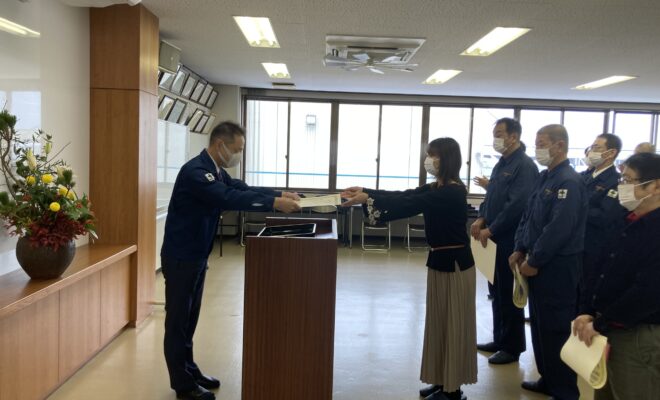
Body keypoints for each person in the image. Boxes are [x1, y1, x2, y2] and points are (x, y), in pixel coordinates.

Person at [160, 122, 301, 400]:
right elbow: (227, 196)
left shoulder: (215, 171)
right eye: (237, 149)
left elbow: (241, 187)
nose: (238, 155)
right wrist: (273, 204)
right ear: (220, 145)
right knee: (178, 321)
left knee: (190, 318)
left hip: (196, 255)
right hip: (181, 257)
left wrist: (278, 195)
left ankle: (189, 369)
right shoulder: (197, 173)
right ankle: (183, 385)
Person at [341, 138, 476, 400]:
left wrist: (369, 198)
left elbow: (409, 205)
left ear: (446, 159)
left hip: (456, 266)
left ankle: (453, 391)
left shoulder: (453, 191)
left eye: (433, 155)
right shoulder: (436, 187)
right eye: (428, 155)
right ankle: (441, 381)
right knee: (438, 325)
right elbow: (406, 195)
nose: (429, 160)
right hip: (439, 262)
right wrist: (367, 191)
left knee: (454, 327)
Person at [509, 124, 587, 400]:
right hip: (535, 261)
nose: (538, 148)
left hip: (557, 267)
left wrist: (537, 259)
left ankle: (564, 389)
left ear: (560, 146)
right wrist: (519, 248)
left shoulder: (569, 182)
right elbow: (529, 217)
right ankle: (548, 378)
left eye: (542, 143)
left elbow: (559, 228)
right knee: (541, 326)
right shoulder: (545, 177)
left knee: (556, 328)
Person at [574, 152, 660, 400]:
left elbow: (647, 292)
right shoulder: (626, 220)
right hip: (609, 327)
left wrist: (600, 322)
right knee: (604, 391)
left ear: (655, 186)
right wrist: (586, 309)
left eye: (630, 181)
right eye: (622, 179)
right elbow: (601, 269)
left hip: (638, 335)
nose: (623, 187)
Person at [471, 118, 539, 365]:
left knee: (510, 294)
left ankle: (512, 347)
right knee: (496, 291)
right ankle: (500, 339)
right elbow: (492, 197)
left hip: (511, 238)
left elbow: (517, 205)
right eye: (494, 134)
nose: (496, 139)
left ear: (514, 136)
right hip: (494, 238)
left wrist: (492, 229)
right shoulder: (502, 163)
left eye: (500, 134)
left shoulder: (524, 165)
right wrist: (481, 219)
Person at [580, 134, 627, 313]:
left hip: (595, 247)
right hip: (576, 245)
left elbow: (604, 216)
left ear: (611, 153)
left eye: (597, 148)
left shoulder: (615, 181)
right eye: (591, 147)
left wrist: (576, 211)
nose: (592, 151)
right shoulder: (584, 176)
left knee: (587, 296)